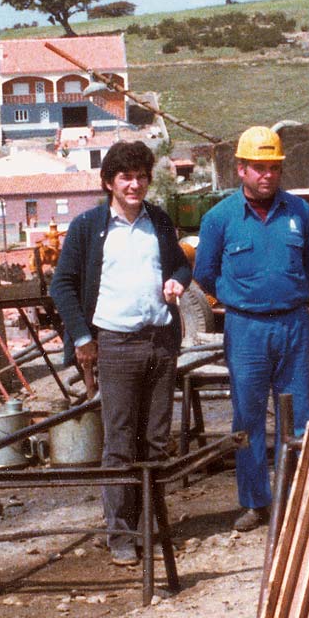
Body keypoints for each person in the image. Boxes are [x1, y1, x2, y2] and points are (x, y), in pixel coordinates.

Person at [49, 140, 191, 566]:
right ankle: (121, 535)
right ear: (109, 182)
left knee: (156, 439)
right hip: (116, 345)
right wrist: (81, 337)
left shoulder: (159, 222)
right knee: (120, 441)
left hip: (161, 342)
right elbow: (63, 285)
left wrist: (178, 281)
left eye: (141, 176)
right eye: (126, 177)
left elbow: (182, 265)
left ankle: (152, 525)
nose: (135, 184)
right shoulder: (89, 227)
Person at [193, 126, 309, 532]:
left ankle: (297, 498)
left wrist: (284, 293)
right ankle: (256, 503)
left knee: (298, 415)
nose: (267, 175)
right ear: (241, 170)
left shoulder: (300, 213)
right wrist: (242, 299)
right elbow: (205, 273)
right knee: (247, 417)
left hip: (292, 324)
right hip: (245, 327)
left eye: (273, 168)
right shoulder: (219, 219)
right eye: (258, 168)